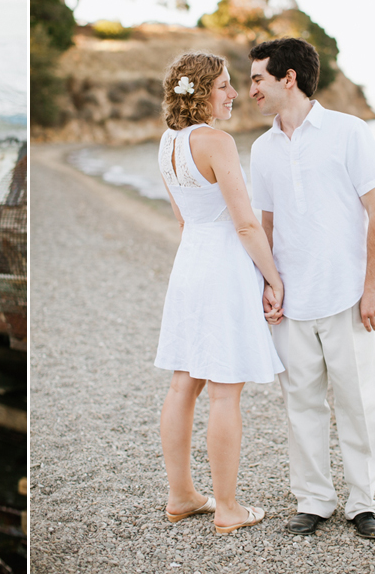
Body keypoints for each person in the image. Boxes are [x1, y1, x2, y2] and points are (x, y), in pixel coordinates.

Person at [248, 37, 375, 540]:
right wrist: (269, 284)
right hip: (291, 301)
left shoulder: (349, 132)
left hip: (347, 295)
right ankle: (313, 500)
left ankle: (363, 503)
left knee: (357, 402)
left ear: (289, 78)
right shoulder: (261, 149)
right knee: (301, 404)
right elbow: (264, 226)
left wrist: (372, 287)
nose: (252, 90)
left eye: (259, 78)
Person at [155, 52, 285, 534]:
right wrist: (273, 278)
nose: (233, 95)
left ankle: (181, 495)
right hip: (223, 269)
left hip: (190, 263)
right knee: (225, 392)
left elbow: (184, 218)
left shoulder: (168, 143)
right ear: (202, 92)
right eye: (225, 86)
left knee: (182, 383)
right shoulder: (216, 141)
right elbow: (246, 222)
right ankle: (228, 508)